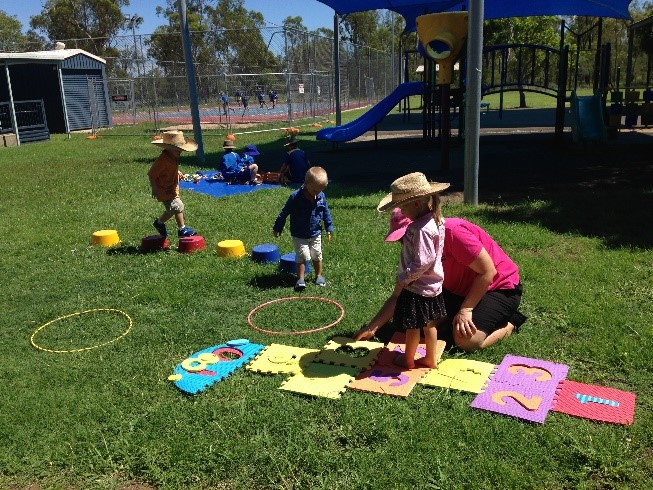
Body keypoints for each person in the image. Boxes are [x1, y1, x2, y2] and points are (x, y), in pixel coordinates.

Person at [353, 209, 527, 352]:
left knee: (466, 340)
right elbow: (398, 296)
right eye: (401, 239)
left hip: (498, 287)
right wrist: (373, 327)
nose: (405, 243)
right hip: (457, 290)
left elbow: (488, 272)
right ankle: (452, 317)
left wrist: (466, 309)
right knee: (414, 322)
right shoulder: (415, 252)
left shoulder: (453, 232)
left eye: (408, 236)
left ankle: (512, 322)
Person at [375, 172, 450, 369]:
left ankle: (408, 360)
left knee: (412, 326)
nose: (402, 211)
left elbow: (423, 261)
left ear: (416, 204)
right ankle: (430, 359)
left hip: (417, 287)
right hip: (432, 285)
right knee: (430, 324)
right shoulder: (436, 221)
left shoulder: (420, 229)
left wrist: (404, 278)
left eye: (403, 206)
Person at [273, 166, 334, 290]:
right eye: (315, 190)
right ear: (306, 184)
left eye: (320, 190)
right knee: (303, 255)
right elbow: (284, 213)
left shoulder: (321, 196)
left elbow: (326, 212)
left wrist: (329, 227)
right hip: (299, 233)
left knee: (317, 254)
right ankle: (300, 279)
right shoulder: (295, 197)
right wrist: (278, 227)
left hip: (315, 232)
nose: (317, 194)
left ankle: (319, 276)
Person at [148, 130, 198, 238]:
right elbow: (152, 174)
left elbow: (171, 169)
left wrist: (178, 173)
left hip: (172, 187)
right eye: (177, 150)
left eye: (180, 150)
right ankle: (182, 229)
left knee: (172, 209)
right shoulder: (162, 160)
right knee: (178, 206)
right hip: (163, 188)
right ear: (168, 148)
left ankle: (159, 223)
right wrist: (154, 188)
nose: (179, 152)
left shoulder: (173, 156)